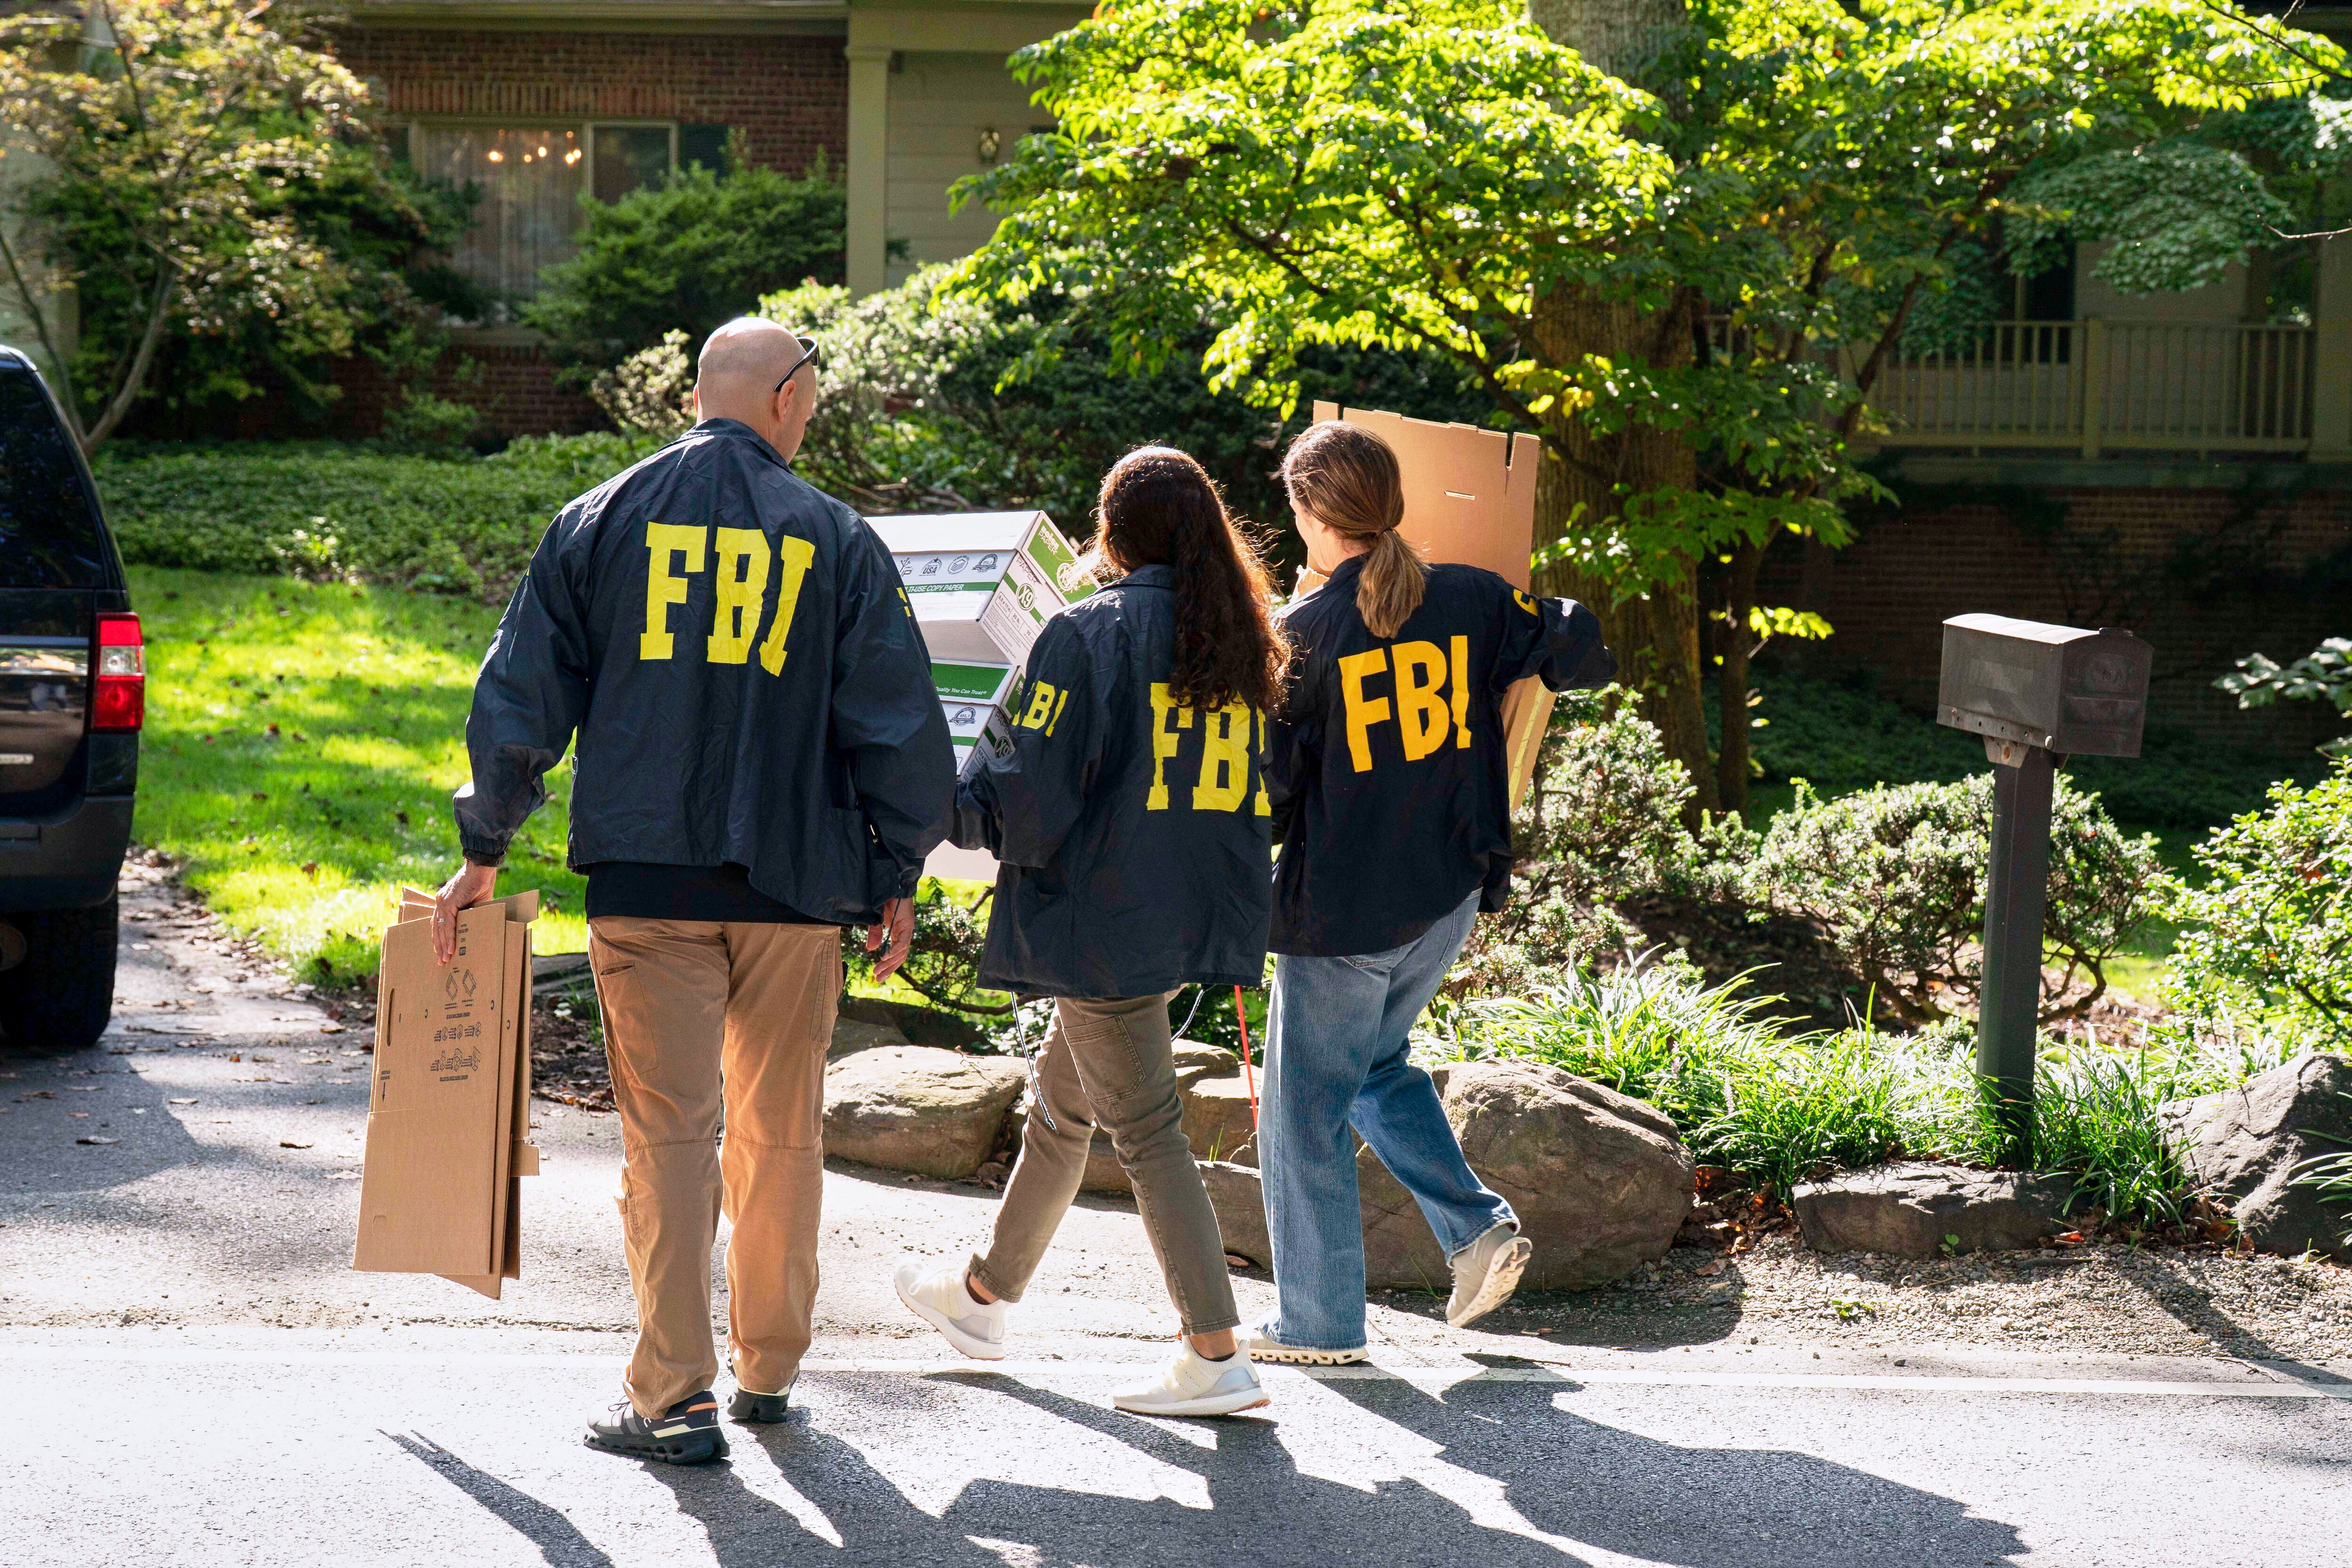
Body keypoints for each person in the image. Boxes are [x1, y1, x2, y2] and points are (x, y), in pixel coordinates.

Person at [431, 318, 954, 1465]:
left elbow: (522, 691)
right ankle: (768, 1369)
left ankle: (672, 1395)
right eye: (810, 394)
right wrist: (895, 870)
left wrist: (486, 845)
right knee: (778, 1135)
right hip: (797, 883)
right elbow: (900, 728)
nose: (811, 412)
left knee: (667, 1136)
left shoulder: (599, 517)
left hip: (643, 874)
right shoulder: (838, 537)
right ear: (783, 396)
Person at [891, 446, 1287, 1419]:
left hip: (1105, 915)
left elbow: (1025, 798)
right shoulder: (1244, 640)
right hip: (1187, 905)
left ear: (1109, 537)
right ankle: (983, 1295)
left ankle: (1214, 1351)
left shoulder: (1086, 633)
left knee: (1146, 1131)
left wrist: (931, 798)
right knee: (1062, 1110)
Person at [1249, 420, 1615, 1367]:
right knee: (1372, 1070)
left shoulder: (1303, 636)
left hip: (1342, 914)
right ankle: (1474, 1229)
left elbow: (1271, 796)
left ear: (1310, 515)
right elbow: (1576, 647)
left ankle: (1319, 1324)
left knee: (1302, 1119)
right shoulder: (1470, 597)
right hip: (1446, 895)